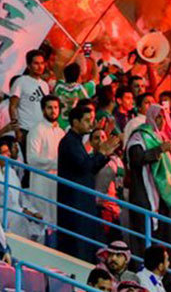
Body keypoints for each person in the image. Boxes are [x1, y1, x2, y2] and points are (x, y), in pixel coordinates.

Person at [57, 103, 122, 261]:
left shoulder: (76, 141)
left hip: (83, 201)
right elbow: (84, 166)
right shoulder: (69, 142)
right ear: (75, 122)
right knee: (78, 248)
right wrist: (101, 153)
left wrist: (104, 155)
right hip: (74, 203)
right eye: (86, 120)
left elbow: (89, 168)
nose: (91, 124)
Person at [125, 103, 171, 233]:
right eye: (158, 117)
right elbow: (137, 158)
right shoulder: (140, 136)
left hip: (161, 192)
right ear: (150, 117)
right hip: (143, 189)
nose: (161, 121)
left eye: (163, 117)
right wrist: (159, 150)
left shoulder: (161, 137)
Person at [26, 95, 65, 232]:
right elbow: (32, 159)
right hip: (40, 180)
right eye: (49, 108)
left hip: (56, 182)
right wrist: (56, 164)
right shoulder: (37, 130)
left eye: (55, 107)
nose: (53, 111)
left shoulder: (61, 132)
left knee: (55, 219)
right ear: (43, 110)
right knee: (41, 219)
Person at [9, 50, 50, 134]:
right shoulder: (20, 81)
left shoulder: (45, 85)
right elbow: (12, 106)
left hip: (40, 131)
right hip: (24, 129)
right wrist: (17, 130)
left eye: (42, 63)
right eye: (36, 63)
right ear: (28, 66)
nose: (40, 66)